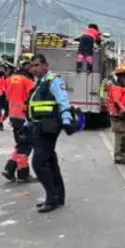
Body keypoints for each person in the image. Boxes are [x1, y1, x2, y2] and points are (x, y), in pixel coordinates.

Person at [26, 53, 76, 213]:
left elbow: (63, 101)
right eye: (32, 66)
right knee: (50, 161)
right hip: (39, 126)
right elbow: (34, 106)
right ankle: (58, 196)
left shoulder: (53, 81)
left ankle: (52, 198)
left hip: (49, 127)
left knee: (38, 163)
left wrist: (67, 120)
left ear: (45, 66)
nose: (33, 69)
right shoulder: (40, 83)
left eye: (36, 65)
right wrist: (28, 123)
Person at [2, 58, 36, 183]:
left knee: (21, 143)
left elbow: (5, 96)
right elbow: (32, 99)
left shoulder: (10, 79)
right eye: (32, 66)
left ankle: (10, 169)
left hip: (13, 115)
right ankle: (22, 173)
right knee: (26, 145)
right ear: (27, 66)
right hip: (24, 116)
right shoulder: (28, 81)